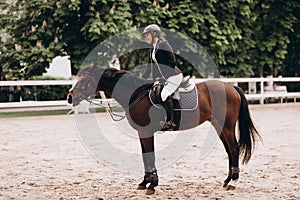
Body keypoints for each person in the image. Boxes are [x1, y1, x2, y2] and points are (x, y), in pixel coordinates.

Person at [142, 24, 183, 130]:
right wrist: (141, 79)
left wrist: (164, 77)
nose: (146, 37)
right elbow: (149, 67)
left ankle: (170, 122)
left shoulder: (164, 44)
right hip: (163, 78)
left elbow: (172, 62)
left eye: (147, 35)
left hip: (174, 75)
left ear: (154, 34)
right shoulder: (152, 49)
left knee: (164, 94)